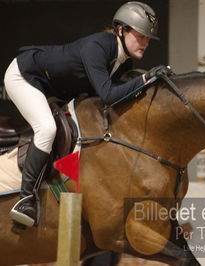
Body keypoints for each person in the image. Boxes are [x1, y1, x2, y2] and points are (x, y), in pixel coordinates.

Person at [4, 1, 172, 227]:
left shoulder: (123, 62)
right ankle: (25, 199)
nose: (146, 43)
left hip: (53, 88)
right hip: (24, 76)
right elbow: (108, 95)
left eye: (148, 38)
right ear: (121, 30)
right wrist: (145, 79)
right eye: (141, 36)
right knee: (47, 128)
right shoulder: (98, 47)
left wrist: (150, 82)